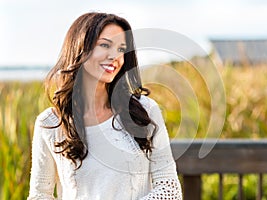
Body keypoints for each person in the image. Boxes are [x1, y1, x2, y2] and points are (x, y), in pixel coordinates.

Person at [27, 12, 182, 200]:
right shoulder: (50, 123)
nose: (115, 57)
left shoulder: (145, 111)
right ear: (80, 48)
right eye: (105, 45)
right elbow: (39, 195)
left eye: (121, 49)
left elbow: (169, 188)